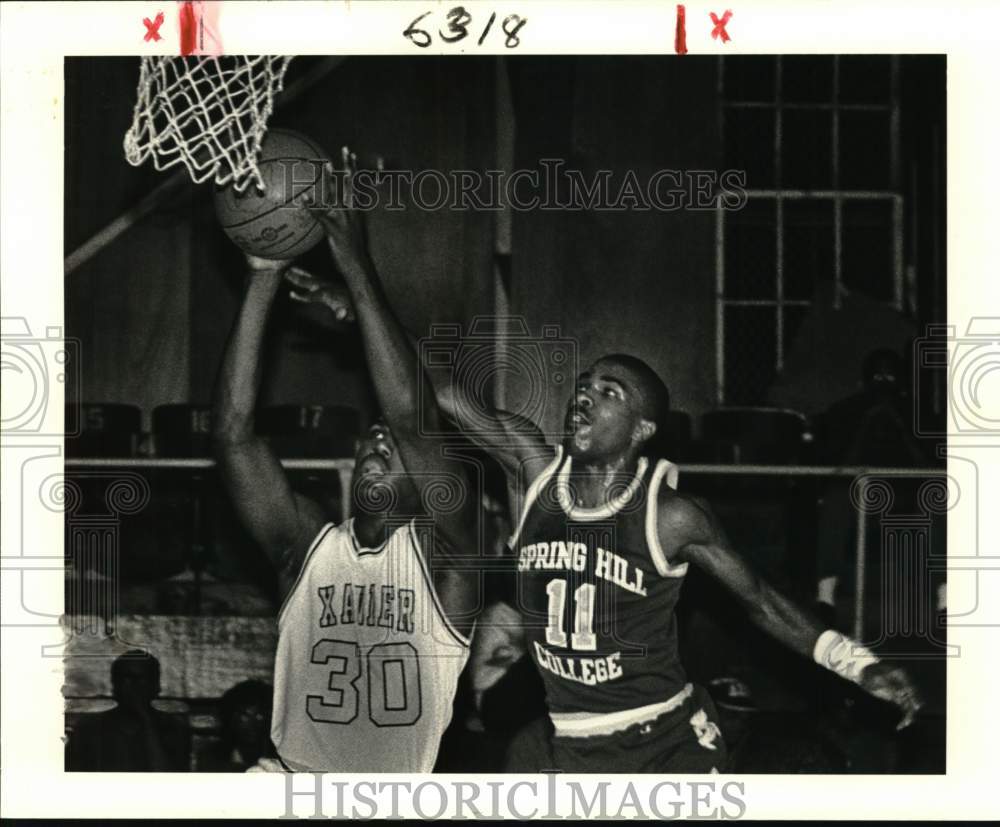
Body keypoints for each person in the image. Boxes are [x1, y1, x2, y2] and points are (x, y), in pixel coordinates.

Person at [438, 352, 924, 773]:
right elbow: (437, 391)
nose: (584, 396)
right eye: (583, 386)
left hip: (664, 744)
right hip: (570, 737)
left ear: (642, 429)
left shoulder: (671, 516)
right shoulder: (534, 474)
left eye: (609, 392)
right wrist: (358, 267)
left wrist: (859, 665)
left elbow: (761, 600)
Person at [212, 149, 480, 772]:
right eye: (370, 438)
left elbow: (415, 419)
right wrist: (262, 274)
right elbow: (233, 436)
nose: (379, 441)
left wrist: (354, 257)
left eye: (395, 442)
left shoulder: (451, 559)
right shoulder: (305, 546)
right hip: (289, 786)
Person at [65, 651, 190, 772]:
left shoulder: (174, 728)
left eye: (140, 679)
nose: (132, 686)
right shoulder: (89, 728)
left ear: (155, 686)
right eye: (124, 678)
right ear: (115, 686)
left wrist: (147, 722)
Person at [200, 679, 276, 772]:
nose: (254, 722)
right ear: (230, 716)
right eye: (245, 715)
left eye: (260, 714)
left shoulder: (282, 759)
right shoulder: (211, 757)